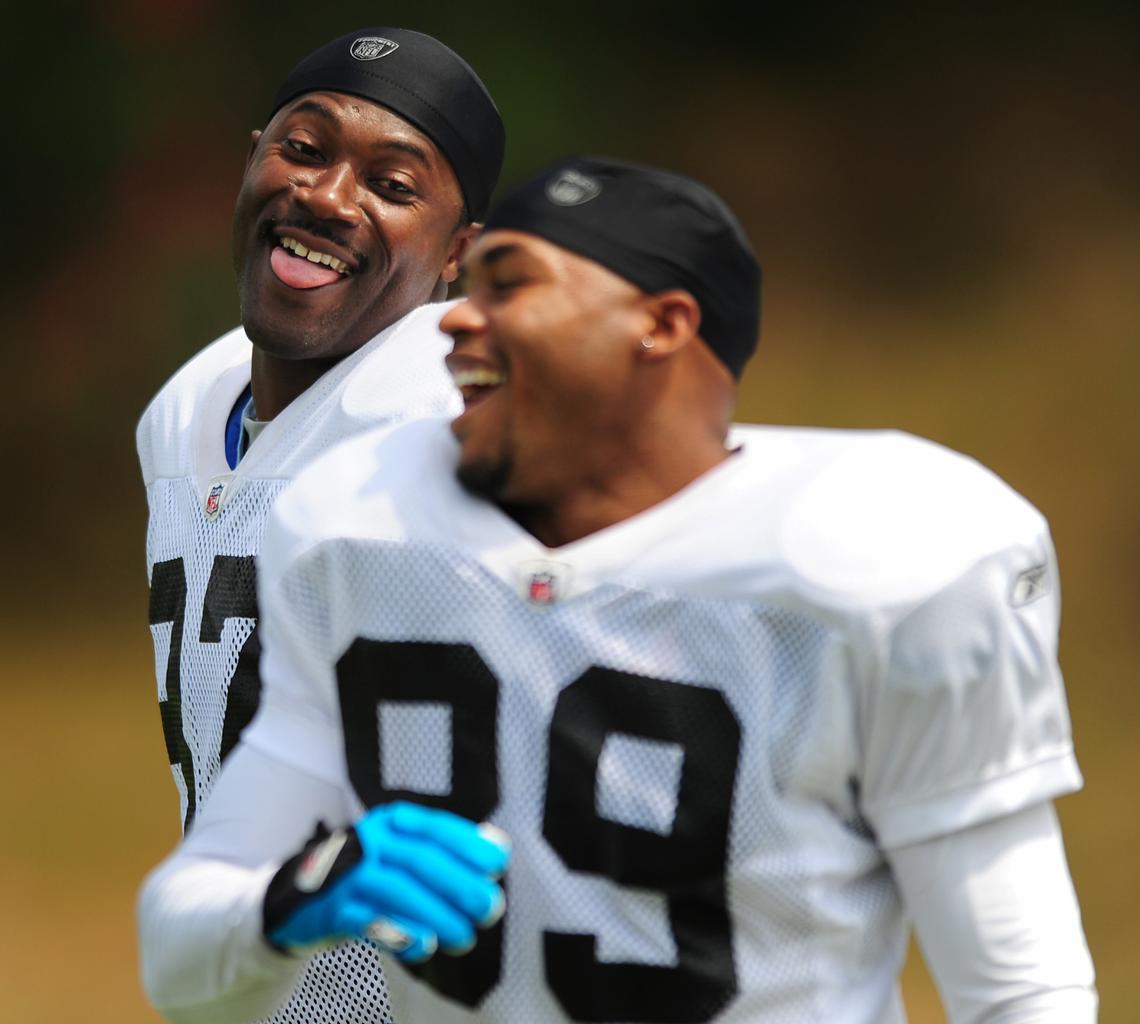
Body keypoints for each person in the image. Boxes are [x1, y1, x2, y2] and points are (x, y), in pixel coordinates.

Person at [138, 156, 1098, 1023]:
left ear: (661, 324)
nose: (457, 317)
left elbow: (1023, 989)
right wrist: (289, 903)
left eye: (514, 285)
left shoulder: (870, 563)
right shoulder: (359, 524)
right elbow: (180, 965)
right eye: (474, 284)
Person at [135, 24, 504, 1024]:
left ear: (458, 252)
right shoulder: (187, 407)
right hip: (249, 971)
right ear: (253, 158)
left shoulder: (442, 423)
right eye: (303, 148)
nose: (330, 196)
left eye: (393, 184)